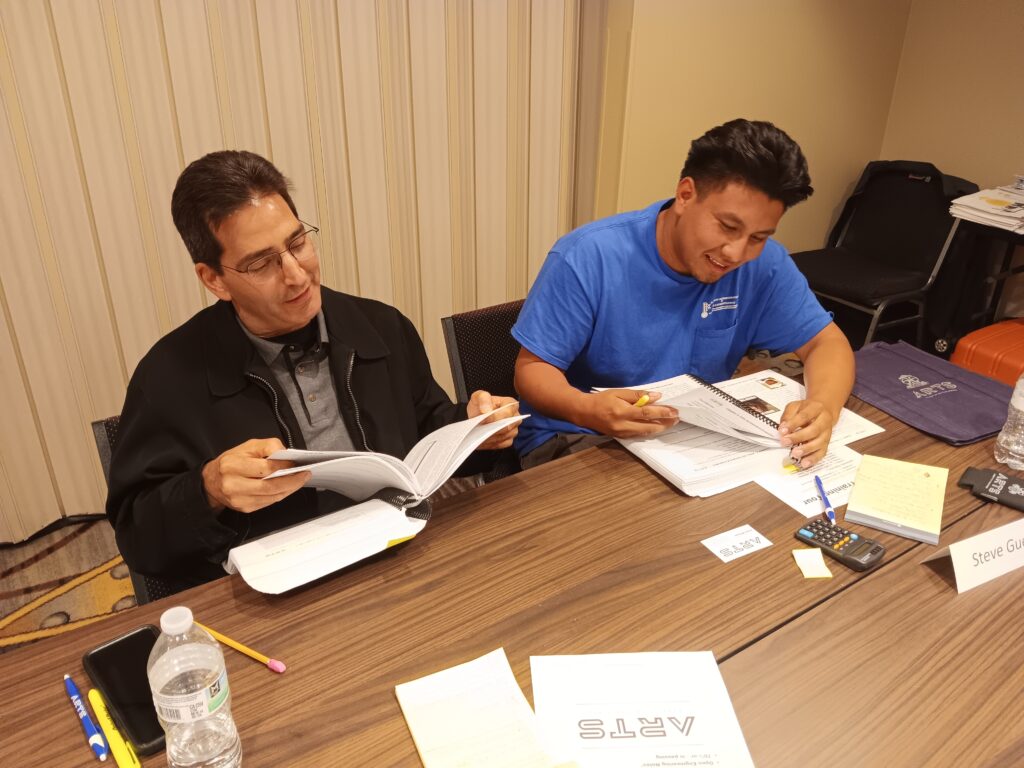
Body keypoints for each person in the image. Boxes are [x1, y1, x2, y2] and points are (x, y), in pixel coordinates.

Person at [107, 150, 518, 587]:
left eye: (298, 243)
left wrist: (474, 428)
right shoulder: (169, 378)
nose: (296, 275)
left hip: (400, 552)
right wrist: (208, 489)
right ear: (214, 279)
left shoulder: (379, 327)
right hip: (277, 588)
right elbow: (138, 538)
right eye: (261, 263)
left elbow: (424, 428)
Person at [512, 118, 854, 470]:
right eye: (728, 226)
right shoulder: (589, 255)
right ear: (686, 195)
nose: (736, 253)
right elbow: (533, 369)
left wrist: (823, 408)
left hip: (694, 435)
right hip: (582, 435)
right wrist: (586, 409)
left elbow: (826, 343)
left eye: (758, 237)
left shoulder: (765, 264)